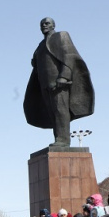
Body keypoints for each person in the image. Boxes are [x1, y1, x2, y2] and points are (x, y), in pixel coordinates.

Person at [24, 17, 94, 147]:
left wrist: (64, 77)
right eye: (42, 24)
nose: (44, 26)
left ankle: (63, 140)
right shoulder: (40, 45)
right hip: (44, 84)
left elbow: (69, 56)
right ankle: (58, 139)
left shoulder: (61, 36)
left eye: (47, 23)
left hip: (59, 83)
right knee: (52, 113)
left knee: (60, 110)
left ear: (53, 25)